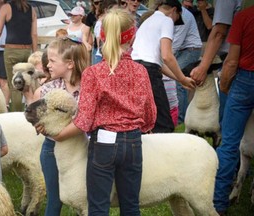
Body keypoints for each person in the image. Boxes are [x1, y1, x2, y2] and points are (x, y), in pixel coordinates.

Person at [37, 8, 156, 216]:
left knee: (98, 206)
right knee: (130, 205)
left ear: (101, 36)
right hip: (133, 142)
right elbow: (150, 114)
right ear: (132, 36)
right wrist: (140, 126)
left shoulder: (93, 73)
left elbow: (84, 120)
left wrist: (55, 134)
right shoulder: (141, 71)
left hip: (103, 144)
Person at [35, 37, 89, 216]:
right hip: (52, 149)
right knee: (55, 197)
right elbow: (39, 118)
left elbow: (86, 118)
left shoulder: (89, 88)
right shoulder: (47, 89)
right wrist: (39, 125)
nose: (47, 65)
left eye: (52, 61)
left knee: (81, 195)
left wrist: (59, 133)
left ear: (70, 64)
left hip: (82, 148)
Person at [131, 0, 196, 133]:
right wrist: (183, 79)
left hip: (134, 69)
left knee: (142, 119)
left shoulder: (146, 22)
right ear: (174, 11)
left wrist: (180, 78)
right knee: (164, 123)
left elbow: (159, 64)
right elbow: (167, 56)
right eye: (177, 18)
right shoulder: (167, 20)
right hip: (148, 72)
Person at [214, 5, 254, 215]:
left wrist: (226, 87)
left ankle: (219, 204)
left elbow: (231, 61)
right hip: (244, 79)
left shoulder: (243, 17)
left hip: (245, 80)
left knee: (229, 144)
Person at [190, 0, 242, 128]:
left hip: (234, 60)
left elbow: (219, 31)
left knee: (229, 118)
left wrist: (203, 67)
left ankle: (227, 144)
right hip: (237, 59)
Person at [0, 0, 38, 112]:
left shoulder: (6, 8)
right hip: (27, 50)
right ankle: (29, 111)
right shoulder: (31, 9)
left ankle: (17, 114)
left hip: (12, 51)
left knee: (14, 85)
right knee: (27, 84)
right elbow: (34, 34)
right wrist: (34, 53)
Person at [172, 6, 202, 124]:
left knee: (178, 80)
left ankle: (180, 119)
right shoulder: (176, 13)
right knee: (174, 78)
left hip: (191, 50)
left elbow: (174, 45)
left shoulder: (183, 16)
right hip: (182, 49)